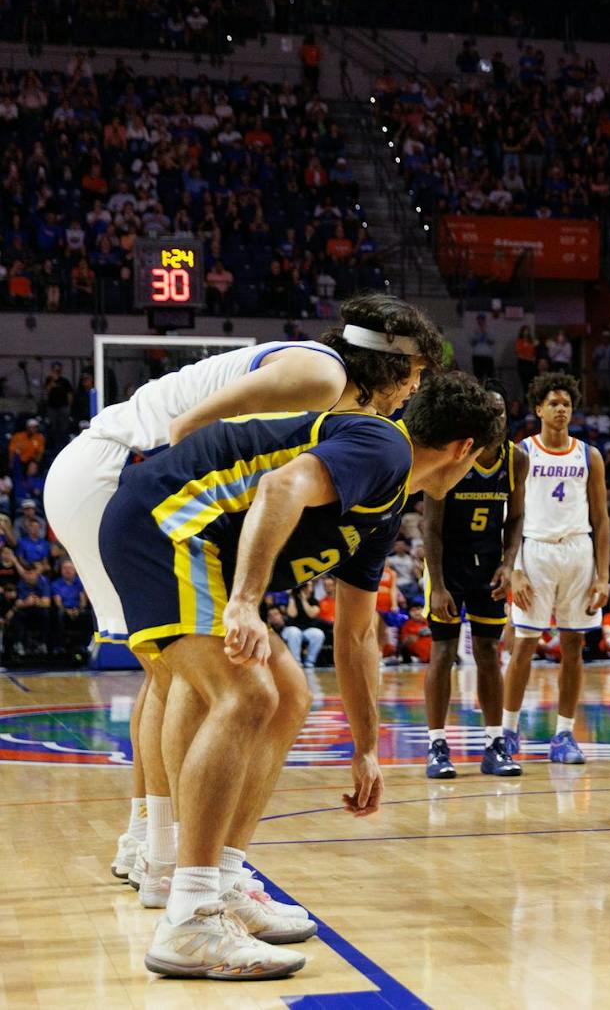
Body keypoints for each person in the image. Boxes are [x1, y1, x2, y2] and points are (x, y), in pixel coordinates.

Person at [99, 373, 504, 979]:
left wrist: (367, 749)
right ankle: (190, 914)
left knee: (290, 695)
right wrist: (244, 602)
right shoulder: (383, 447)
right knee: (244, 694)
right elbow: (280, 486)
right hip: (166, 517)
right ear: (464, 448)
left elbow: (358, 634)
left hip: (188, 533)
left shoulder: (387, 503)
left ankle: (226, 882)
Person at [42, 293, 444, 898]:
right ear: (393, 362)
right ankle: (170, 864)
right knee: (195, 677)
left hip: (133, 488)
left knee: (191, 677)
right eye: (416, 373)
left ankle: (152, 848)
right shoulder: (321, 375)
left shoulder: (338, 398)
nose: (414, 390)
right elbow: (184, 433)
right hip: (120, 473)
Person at [501, 373, 608, 771]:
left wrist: (603, 574)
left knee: (574, 646)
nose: (561, 409)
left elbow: (602, 518)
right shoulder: (522, 452)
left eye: (567, 403)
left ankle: (564, 733)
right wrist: (512, 568)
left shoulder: (589, 456)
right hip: (535, 549)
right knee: (524, 645)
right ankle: (507, 731)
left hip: (578, 549)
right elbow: (508, 514)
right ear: (538, 409)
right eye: (554, 403)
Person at [422, 391, 527, 779]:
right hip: (447, 565)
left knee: (488, 651)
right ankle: (436, 744)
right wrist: (437, 585)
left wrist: (508, 563)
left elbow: (515, 519)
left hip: (489, 567)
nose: (496, 418)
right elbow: (430, 526)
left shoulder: (516, 460)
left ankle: (495, 743)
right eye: (489, 412)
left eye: (501, 412)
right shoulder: (451, 457)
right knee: (443, 650)